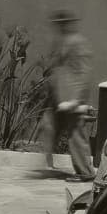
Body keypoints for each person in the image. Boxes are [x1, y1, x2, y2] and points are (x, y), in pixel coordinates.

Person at [43, 10, 95, 181]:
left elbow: (83, 72)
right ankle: (49, 164)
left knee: (76, 136)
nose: (60, 26)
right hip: (60, 98)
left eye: (63, 23)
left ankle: (85, 172)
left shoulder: (78, 43)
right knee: (52, 129)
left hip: (72, 98)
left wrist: (76, 100)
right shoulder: (63, 42)